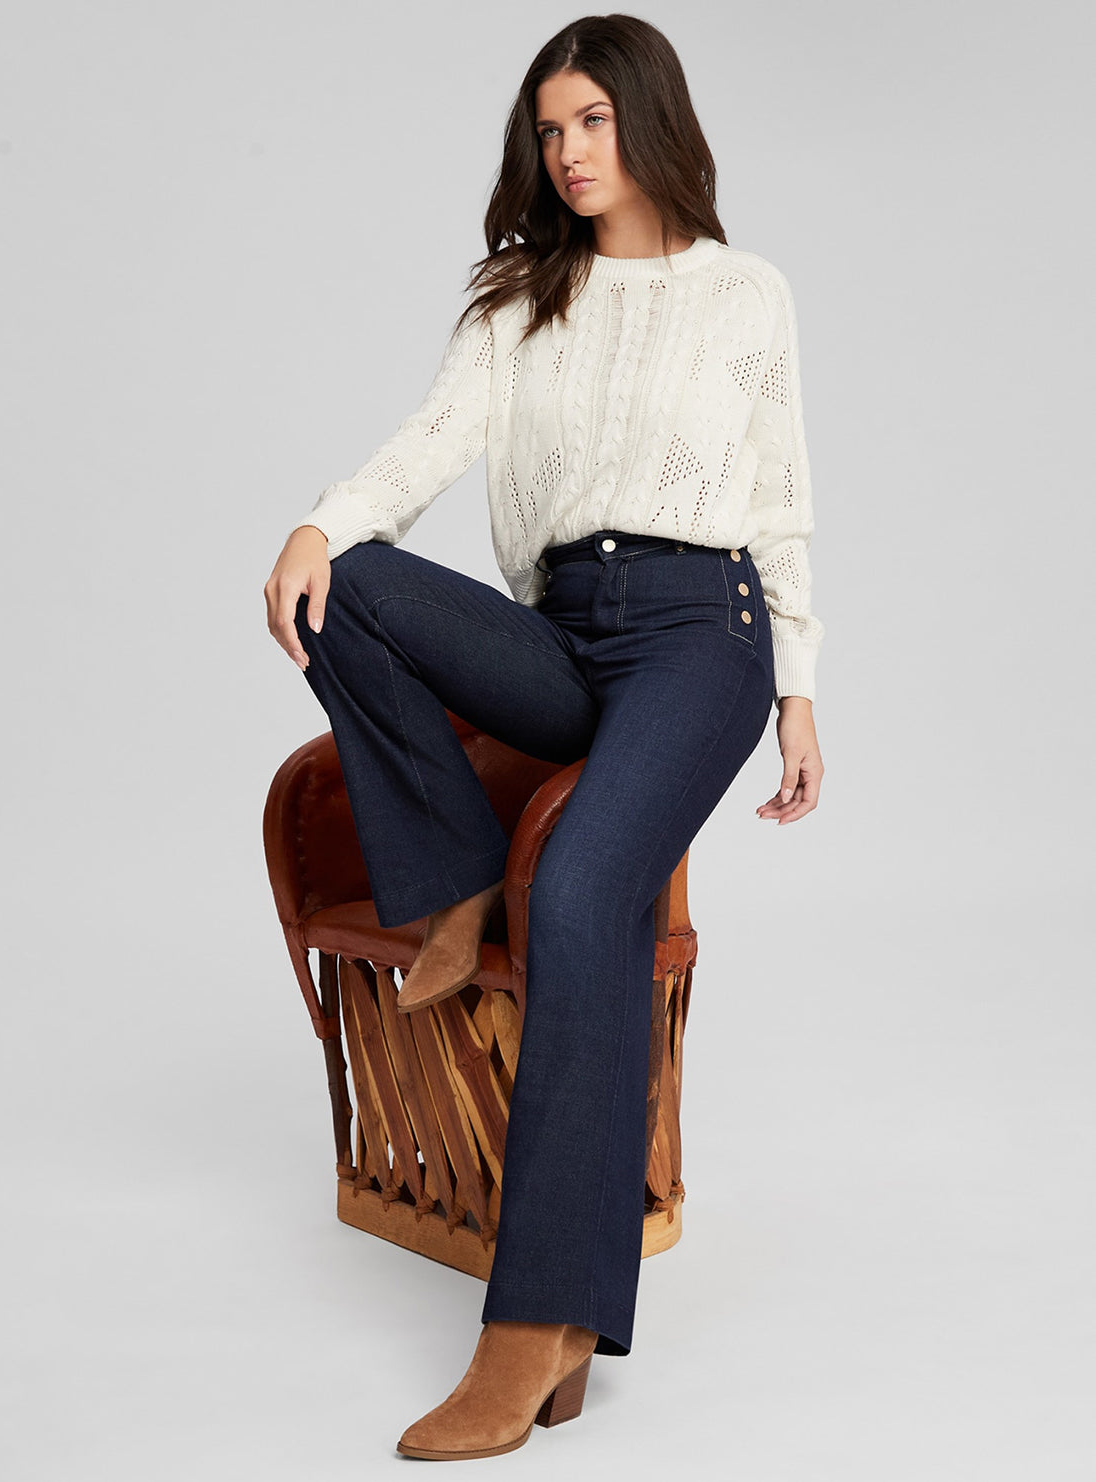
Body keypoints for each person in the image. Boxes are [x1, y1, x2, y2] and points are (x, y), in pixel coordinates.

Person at [264, 13, 825, 1462]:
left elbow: (778, 504)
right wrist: (324, 519)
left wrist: (801, 692)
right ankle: (452, 870)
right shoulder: (519, 301)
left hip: (704, 633)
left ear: (650, 118)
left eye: (592, 121)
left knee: (579, 890)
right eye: (549, 129)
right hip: (569, 630)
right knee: (350, 587)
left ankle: (539, 1328)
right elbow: (429, 444)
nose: (570, 153)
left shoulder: (745, 295)